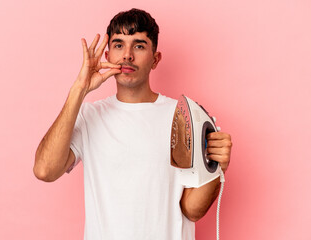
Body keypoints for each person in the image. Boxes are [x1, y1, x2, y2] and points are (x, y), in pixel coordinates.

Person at [34, 8, 232, 240]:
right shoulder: (89, 115)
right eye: (119, 45)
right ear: (107, 56)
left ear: (155, 59)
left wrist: (217, 166)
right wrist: (80, 90)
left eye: (138, 46)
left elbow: (192, 210)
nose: (127, 55)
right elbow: (44, 170)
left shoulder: (183, 117)